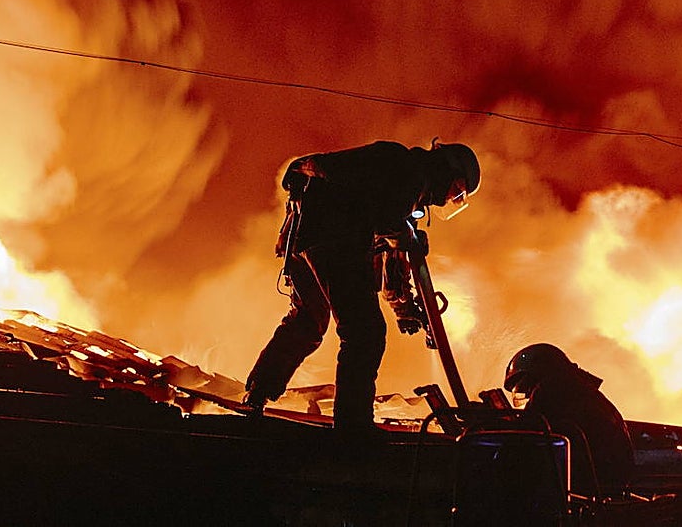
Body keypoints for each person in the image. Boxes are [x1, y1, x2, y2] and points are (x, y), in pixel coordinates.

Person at [243, 139, 481, 439]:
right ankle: (353, 428)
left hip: (304, 238)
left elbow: (392, 263)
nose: (448, 200)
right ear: (446, 169)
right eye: (455, 190)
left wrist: (404, 309)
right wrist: (407, 238)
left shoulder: (407, 199)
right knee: (364, 332)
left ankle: (256, 395)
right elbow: (385, 221)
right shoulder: (402, 167)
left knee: (308, 320)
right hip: (332, 239)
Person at [504, 343, 635, 499]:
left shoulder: (551, 388)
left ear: (538, 373)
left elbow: (524, 433)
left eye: (527, 386)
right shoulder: (580, 388)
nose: (529, 393)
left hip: (586, 485)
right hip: (607, 482)